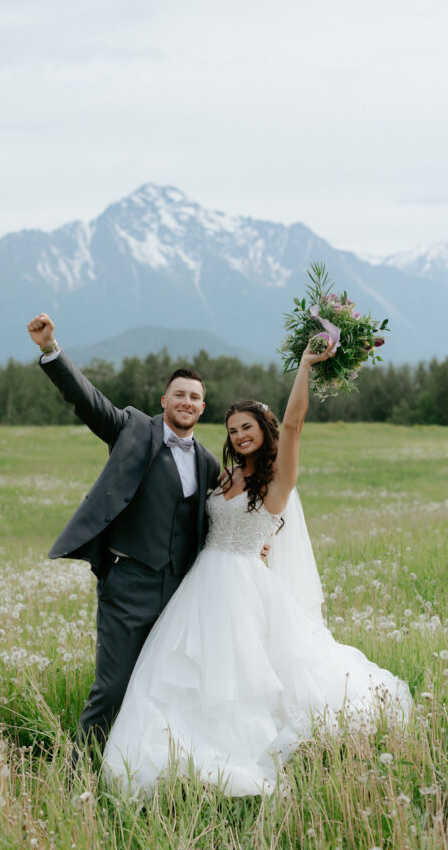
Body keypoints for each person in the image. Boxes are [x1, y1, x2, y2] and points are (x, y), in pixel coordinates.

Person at [102, 338, 413, 796]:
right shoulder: (223, 477)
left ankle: (235, 755)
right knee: (179, 674)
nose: (238, 436)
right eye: (231, 430)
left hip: (243, 586)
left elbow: (294, 425)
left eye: (246, 427)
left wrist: (306, 365)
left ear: (263, 429)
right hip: (201, 586)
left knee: (241, 678)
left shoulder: (277, 482)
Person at [27, 312, 232, 756]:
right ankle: (79, 772)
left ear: (202, 408)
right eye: (179, 393)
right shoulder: (132, 429)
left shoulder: (209, 463)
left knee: (170, 688)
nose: (186, 401)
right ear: (164, 400)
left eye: (195, 397)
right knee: (113, 687)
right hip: (128, 583)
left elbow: (220, 520)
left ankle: (148, 773)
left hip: (180, 592)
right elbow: (87, 400)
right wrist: (51, 350)